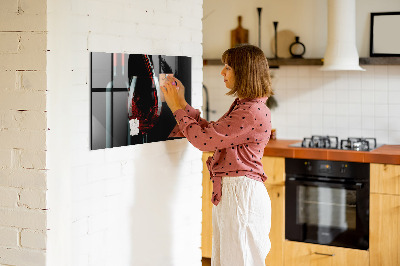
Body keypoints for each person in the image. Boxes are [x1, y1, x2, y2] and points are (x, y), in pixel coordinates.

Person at [161, 44, 273, 266]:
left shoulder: (250, 111)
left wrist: (176, 108)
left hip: (241, 195)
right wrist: (182, 104)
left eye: (228, 67)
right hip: (236, 193)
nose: (222, 72)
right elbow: (212, 133)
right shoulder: (246, 106)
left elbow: (204, 141)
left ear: (244, 72)